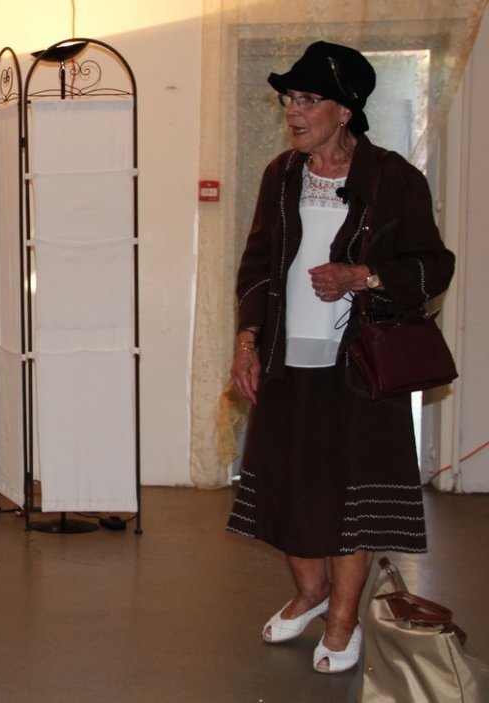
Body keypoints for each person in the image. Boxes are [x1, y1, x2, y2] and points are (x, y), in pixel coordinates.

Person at [226, 41, 455, 673]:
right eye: (288, 99)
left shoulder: (394, 178)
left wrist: (362, 276)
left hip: (359, 365)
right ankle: (311, 592)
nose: (293, 112)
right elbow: (256, 264)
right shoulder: (281, 174)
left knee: (349, 492)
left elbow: (433, 265)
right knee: (289, 482)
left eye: (307, 99)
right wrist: (246, 341)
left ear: (346, 110)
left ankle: (343, 619)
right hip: (284, 358)